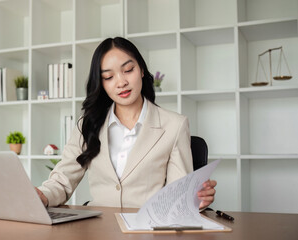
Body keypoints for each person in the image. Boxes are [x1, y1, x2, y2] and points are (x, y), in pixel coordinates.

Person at [36, 37, 216, 209]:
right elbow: (62, 181)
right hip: (98, 228)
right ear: (101, 83)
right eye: (108, 77)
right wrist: (42, 195)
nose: (121, 82)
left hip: (147, 228)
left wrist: (193, 200)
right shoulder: (88, 125)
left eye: (128, 70)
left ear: (142, 70)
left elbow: (178, 194)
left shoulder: (175, 125)